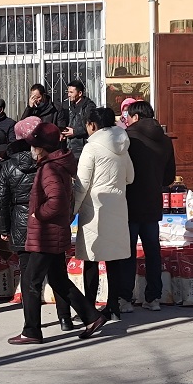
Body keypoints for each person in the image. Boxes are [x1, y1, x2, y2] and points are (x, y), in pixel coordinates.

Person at [7, 122, 105, 345]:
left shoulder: (49, 168)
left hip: (46, 234)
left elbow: (57, 200)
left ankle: (31, 331)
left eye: (34, 146)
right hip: (53, 233)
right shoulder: (56, 164)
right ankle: (92, 317)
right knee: (58, 280)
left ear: (42, 148)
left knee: (31, 281)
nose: (31, 150)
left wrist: (38, 214)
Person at [73, 107, 135, 319]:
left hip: (95, 209)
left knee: (91, 259)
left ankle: (90, 310)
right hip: (117, 207)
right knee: (114, 260)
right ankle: (113, 307)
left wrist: (72, 209)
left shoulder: (91, 148)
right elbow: (130, 177)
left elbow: (81, 185)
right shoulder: (123, 146)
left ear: (92, 125)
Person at [124, 101, 175, 311]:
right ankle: (153, 298)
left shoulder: (128, 137)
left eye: (127, 117)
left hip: (129, 202)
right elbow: (169, 177)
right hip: (153, 202)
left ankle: (125, 299)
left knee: (127, 252)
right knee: (153, 251)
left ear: (136, 117)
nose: (126, 120)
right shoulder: (165, 140)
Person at [0, 116, 41, 262]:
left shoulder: (8, 165)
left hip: (19, 221)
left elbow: (1, 201)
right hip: (46, 221)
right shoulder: (49, 161)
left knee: (25, 266)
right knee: (50, 269)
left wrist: (4, 229)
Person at [59, 80, 95, 158]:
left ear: (80, 93)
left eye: (71, 92)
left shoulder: (88, 107)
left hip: (83, 148)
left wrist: (75, 132)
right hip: (70, 147)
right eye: (68, 92)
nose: (68, 95)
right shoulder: (71, 106)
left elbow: (91, 127)